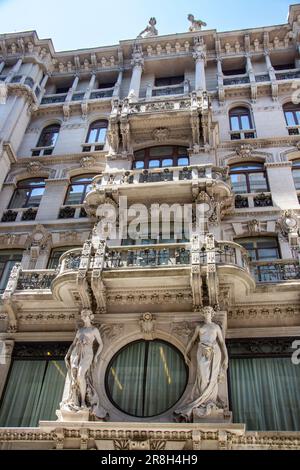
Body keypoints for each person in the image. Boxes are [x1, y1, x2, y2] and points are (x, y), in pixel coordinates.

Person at [175, 306, 228, 422]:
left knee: (212, 377)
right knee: (203, 378)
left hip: (214, 351)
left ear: (212, 314)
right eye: (205, 312)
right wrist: (185, 353)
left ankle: (210, 401)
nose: (207, 313)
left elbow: (222, 343)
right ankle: (202, 401)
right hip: (202, 352)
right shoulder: (200, 327)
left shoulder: (216, 327)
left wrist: (226, 358)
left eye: (209, 311)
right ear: (203, 314)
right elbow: (193, 340)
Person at [62, 309, 104, 416]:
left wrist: (96, 357)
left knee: (81, 375)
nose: (83, 317)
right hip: (76, 353)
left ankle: (83, 402)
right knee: (75, 375)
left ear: (90, 316)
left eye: (85, 315)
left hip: (88, 353)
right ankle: (77, 400)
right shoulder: (79, 331)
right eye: (82, 315)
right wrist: (68, 354)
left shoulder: (94, 330)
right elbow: (73, 344)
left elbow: (101, 344)